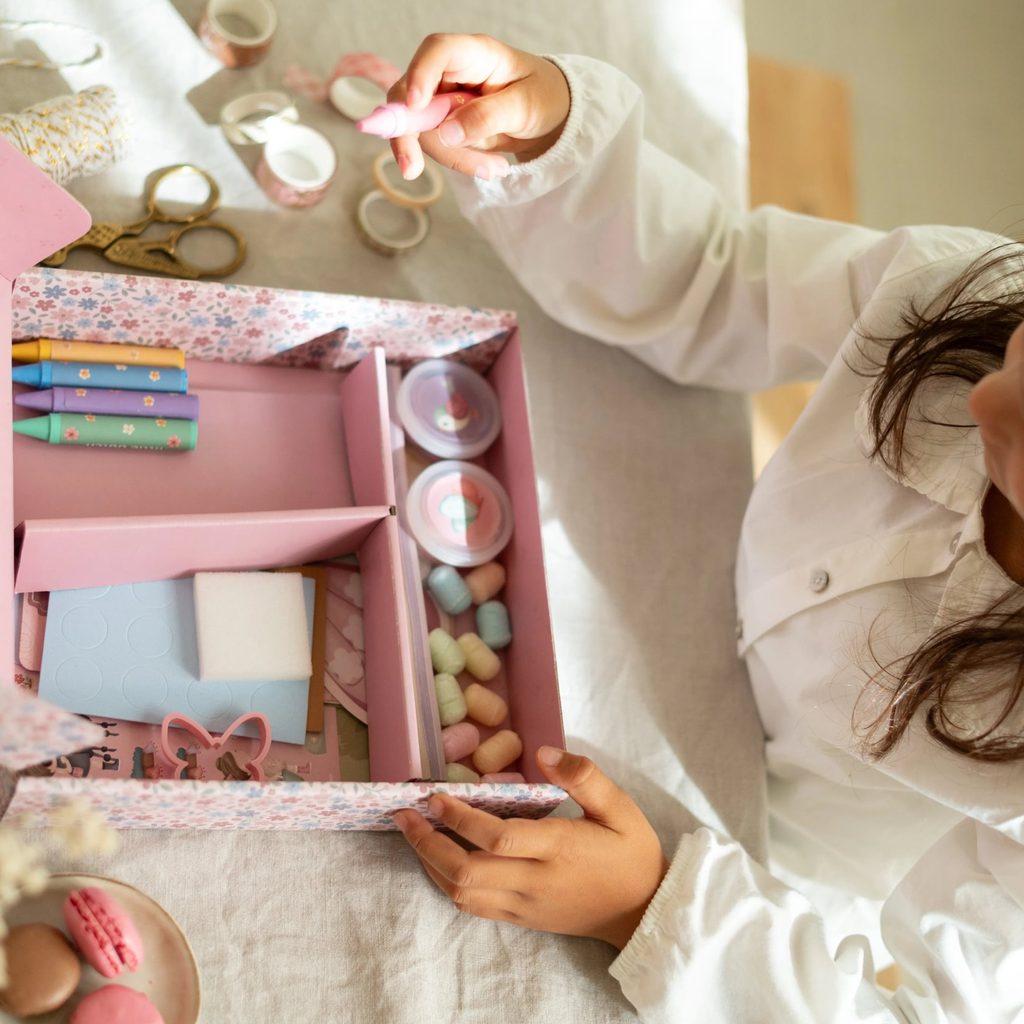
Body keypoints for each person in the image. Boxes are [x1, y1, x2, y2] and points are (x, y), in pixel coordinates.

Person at [387, 34, 1024, 1024]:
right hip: (678, 596)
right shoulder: (971, 295)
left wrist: (648, 911)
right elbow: (721, 277)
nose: (982, 401)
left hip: (756, 870)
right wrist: (552, 148)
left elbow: (919, 1010)